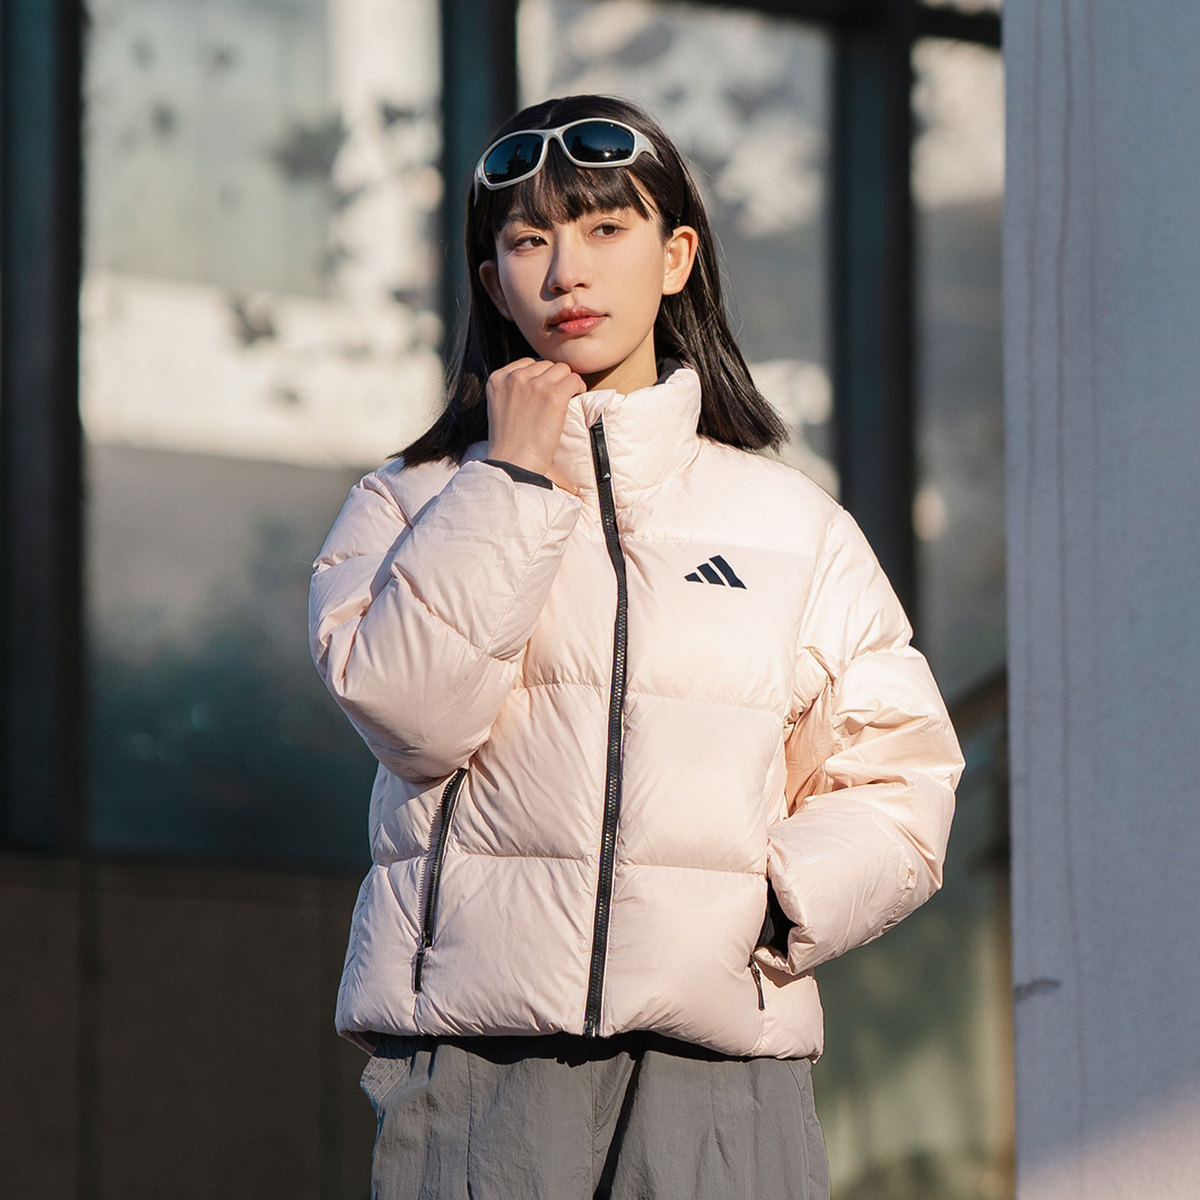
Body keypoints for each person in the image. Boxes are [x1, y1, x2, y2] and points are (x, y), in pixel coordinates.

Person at [309, 93, 963, 1200]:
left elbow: (900, 776)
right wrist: (512, 480)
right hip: (476, 1067)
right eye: (529, 241)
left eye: (606, 228)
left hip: (721, 1068)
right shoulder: (409, 503)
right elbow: (415, 721)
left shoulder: (792, 525)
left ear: (675, 258)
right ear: (492, 283)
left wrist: (771, 905)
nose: (567, 271)